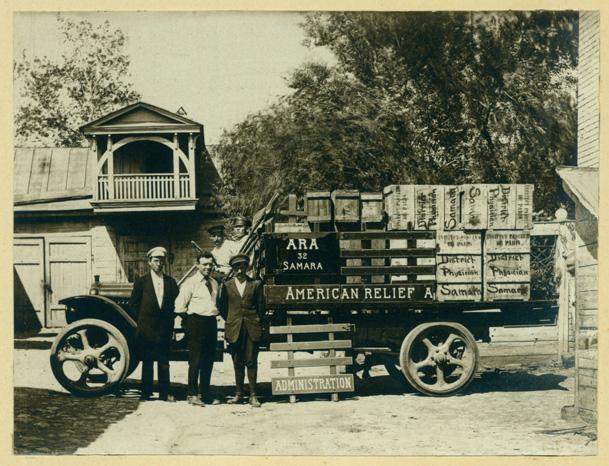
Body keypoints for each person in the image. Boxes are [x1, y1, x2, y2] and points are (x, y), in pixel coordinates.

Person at [129, 247, 179, 402]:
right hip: (146, 329)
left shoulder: (171, 282)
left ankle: (165, 393)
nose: (159, 263)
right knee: (147, 361)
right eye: (156, 260)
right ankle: (146, 392)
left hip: (164, 329)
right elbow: (133, 304)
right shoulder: (142, 282)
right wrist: (143, 322)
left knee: (164, 361)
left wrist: (171, 324)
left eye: (161, 260)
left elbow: (176, 305)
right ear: (149, 262)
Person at [174, 252, 221, 407]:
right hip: (195, 322)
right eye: (204, 264)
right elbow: (179, 305)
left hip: (211, 323)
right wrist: (189, 324)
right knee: (195, 360)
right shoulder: (191, 283)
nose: (208, 267)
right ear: (198, 265)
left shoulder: (214, 283)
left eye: (210, 264)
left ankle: (205, 393)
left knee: (208, 360)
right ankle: (192, 394)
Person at [218, 254, 264, 407]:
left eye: (242, 266)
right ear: (232, 269)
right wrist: (232, 319)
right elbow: (222, 307)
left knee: (251, 361)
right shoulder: (227, 285)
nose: (239, 270)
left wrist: (254, 321)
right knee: (237, 361)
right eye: (236, 267)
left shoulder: (255, 284)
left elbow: (261, 308)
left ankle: (253, 395)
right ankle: (238, 394)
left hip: (251, 327)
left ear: (247, 267)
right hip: (234, 328)